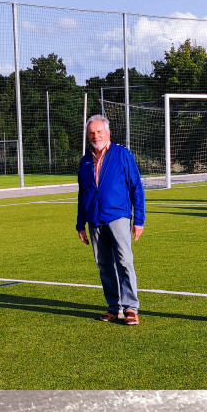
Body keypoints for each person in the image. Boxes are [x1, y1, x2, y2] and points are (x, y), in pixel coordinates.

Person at [76, 115, 145, 326]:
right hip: (94, 220)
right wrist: (80, 223)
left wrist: (139, 219)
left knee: (124, 261)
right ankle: (114, 307)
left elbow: (136, 187)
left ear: (108, 133)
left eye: (99, 132)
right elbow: (83, 193)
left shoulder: (122, 154)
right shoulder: (85, 160)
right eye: (92, 133)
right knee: (104, 264)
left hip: (118, 216)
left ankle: (131, 307)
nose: (95, 136)